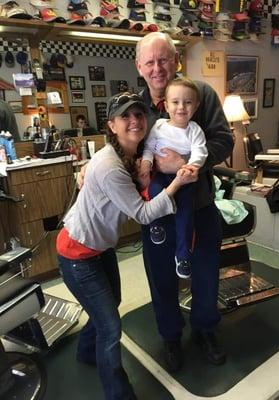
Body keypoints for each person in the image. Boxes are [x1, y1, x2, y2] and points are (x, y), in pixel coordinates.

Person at [56, 92, 197, 400]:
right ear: (112, 125)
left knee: (111, 302)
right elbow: (142, 213)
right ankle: (119, 395)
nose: (134, 121)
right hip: (77, 253)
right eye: (125, 116)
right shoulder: (110, 165)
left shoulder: (131, 155)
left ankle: (85, 351)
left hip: (99, 248)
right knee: (111, 328)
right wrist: (177, 183)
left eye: (138, 114)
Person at [135, 32, 234, 371]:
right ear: (139, 66)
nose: (157, 68)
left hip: (200, 206)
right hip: (157, 211)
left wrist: (190, 163)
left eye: (163, 59)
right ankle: (171, 337)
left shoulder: (201, 94)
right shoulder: (135, 107)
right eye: (149, 61)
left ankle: (205, 330)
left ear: (175, 59)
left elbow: (224, 139)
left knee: (206, 273)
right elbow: (120, 148)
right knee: (161, 278)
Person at [140, 77, 208, 279]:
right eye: (176, 102)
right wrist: (146, 163)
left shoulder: (194, 130)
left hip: (185, 180)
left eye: (188, 103)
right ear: (166, 105)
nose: (181, 107)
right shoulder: (159, 126)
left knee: (185, 217)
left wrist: (191, 166)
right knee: (154, 192)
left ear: (195, 107)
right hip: (162, 177)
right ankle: (156, 225)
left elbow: (200, 151)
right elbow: (149, 148)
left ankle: (183, 255)